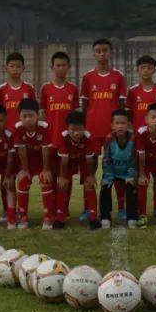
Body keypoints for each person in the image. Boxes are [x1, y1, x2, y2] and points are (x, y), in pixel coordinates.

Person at [40, 51, 86, 221]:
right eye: (57, 65)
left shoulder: (73, 89)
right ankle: (50, 210)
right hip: (51, 140)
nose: (60, 68)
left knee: (66, 177)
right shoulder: (46, 88)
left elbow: (75, 115)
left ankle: (63, 209)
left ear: (68, 67)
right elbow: (43, 115)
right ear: (52, 67)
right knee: (50, 176)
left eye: (64, 65)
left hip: (67, 140)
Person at [92, 109, 138, 231]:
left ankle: (132, 217)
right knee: (105, 187)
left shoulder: (133, 139)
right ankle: (105, 217)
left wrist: (131, 175)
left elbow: (134, 160)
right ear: (112, 125)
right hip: (113, 171)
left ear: (128, 125)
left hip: (127, 171)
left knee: (132, 188)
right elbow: (106, 159)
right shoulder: (109, 139)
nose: (120, 126)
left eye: (123, 123)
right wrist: (108, 176)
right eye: (117, 123)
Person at [12, 98, 55, 230]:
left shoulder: (45, 127)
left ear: (38, 115)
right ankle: (23, 215)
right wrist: (24, 169)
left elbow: (46, 149)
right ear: (19, 116)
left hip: (43, 162)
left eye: (31, 115)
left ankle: (48, 216)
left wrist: (46, 169)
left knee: (45, 180)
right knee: (23, 180)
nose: (28, 119)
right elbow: (21, 150)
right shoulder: (17, 128)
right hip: (28, 164)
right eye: (24, 116)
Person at [80, 38, 128, 154]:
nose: (102, 53)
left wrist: (120, 124)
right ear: (94, 54)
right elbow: (85, 103)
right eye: (98, 51)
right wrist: (84, 123)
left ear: (111, 53)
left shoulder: (119, 76)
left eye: (105, 50)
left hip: (112, 127)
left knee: (112, 158)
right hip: (93, 125)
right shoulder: (87, 77)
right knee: (92, 159)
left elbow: (122, 104)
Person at [55, 110, 97, 228]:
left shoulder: (88, 138)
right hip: (67, 162)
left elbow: (90, 160)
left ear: (84, 128)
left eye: (79, 129)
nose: (76, 133)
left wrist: (90, 176)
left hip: (83, 160)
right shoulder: (63, 137)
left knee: (89, 184)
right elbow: (63, 161)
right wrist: (62, 177)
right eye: (73, 130)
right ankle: (60, 217)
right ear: (67, 128)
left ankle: (93, 218)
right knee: (63, 184)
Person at [0, 52, 36, 132]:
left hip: (25, 132)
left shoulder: (29, 88)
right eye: (12, 66)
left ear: (23, 68)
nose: (15, 69)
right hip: (7, 132)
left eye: (18, 66)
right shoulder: (1, 89)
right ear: (6, 68)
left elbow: (34, 112)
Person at [126, 55, 156, 131]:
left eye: (149, 68)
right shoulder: (132, 91)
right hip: (138, 133)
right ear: (138, 70)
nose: (146, 70)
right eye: (143, 67)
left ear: (154, 70)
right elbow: (129, 113)